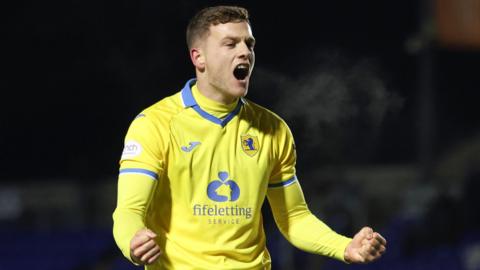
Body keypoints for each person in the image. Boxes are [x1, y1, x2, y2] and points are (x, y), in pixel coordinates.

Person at [112, 5, 386, 270]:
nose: (244, 52)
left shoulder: (273, 129)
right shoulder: (154, 124)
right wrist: (132, 242)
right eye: (230, 44)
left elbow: (293, 218)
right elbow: (128, 211)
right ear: (198, 58)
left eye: (249, 44)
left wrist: (344, 247)